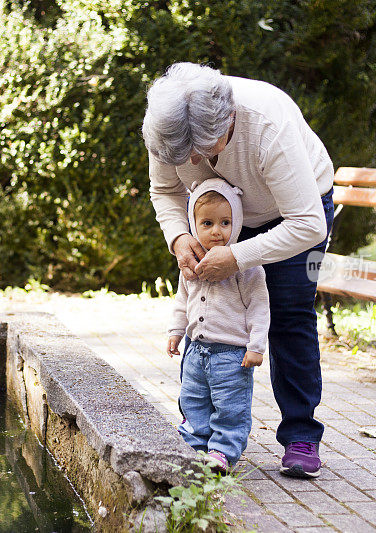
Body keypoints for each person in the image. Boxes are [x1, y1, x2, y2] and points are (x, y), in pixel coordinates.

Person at [143, 62, 335, 478]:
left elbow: (307, 224)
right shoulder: (168, 125)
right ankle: (204, 434)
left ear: (226, 122)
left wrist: (238, 256)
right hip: (225, 211)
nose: (191, 161)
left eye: (200, 153)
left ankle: (301, 436)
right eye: (184, 156)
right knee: (207, 320)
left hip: (296, 213)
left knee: (288, 313)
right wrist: (179, 238)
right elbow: (165, 189)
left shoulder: (266, 124)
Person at [167, 178, 269, 473]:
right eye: (208, 222)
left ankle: (222, 453)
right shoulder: (191, 263)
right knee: (193, 399)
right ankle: (194, 446)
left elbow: (260, 308)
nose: (216, 230)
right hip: (195, 352)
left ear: (236, 223)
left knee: (230, 407)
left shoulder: (246, 267)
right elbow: (181, 300)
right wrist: (175, 331)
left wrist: (257, 346)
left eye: (225, 222)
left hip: (232, 356)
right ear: (193, 225)